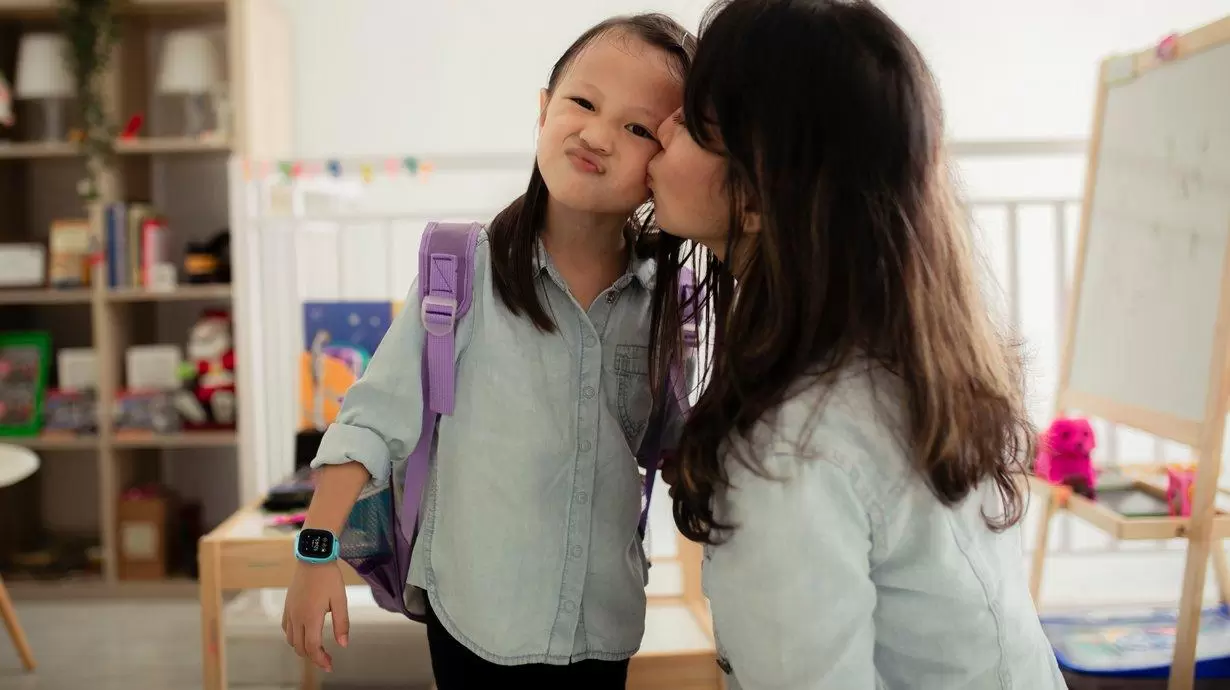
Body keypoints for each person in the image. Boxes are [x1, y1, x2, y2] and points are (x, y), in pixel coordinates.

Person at [646, 0, 1068, 688]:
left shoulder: (792, 443)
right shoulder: (904, 360)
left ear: (758, 196)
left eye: (693, 123)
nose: (661, 127)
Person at [281, 14, 695, 689]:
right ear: (544, 108)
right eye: (583, 103)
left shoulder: (664, 299)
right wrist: (314, 553)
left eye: (637, 128)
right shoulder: (463, 272)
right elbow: (371, 422)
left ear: (668, 160)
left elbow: (674, 444)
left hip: (603, 625)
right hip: (474, 618)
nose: (597, 135)